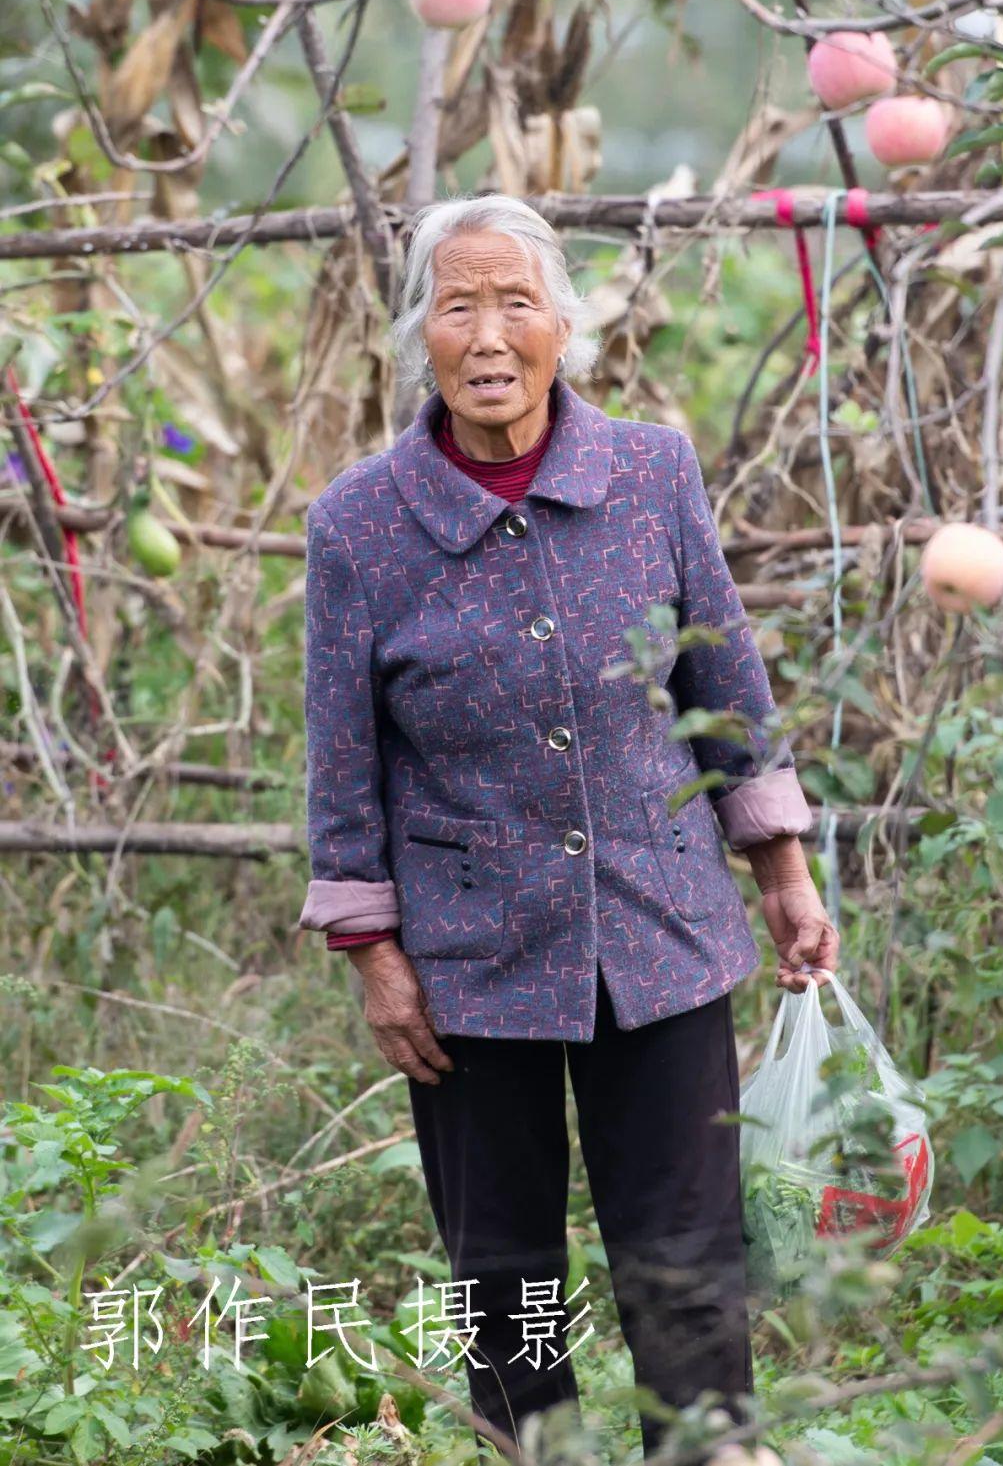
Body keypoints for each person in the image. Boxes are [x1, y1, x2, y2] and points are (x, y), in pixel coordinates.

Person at [299, 193, 840, 1462]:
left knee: (686, 1237)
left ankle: (706, 1445)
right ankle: (530, 1447)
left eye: (518, 302)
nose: (490, 336)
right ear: (417, 334)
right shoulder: (361, 523)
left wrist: (782, 868)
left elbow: (724, 681)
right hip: (466, 953)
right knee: (503, 1256)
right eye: (458, 304)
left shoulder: (651, 472)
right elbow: (342, 763)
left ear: (565, 330)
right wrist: (375, 954)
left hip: (660, 922)